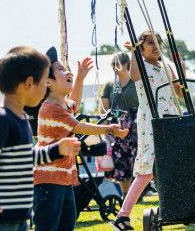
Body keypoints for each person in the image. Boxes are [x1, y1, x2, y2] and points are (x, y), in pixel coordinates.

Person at [33, 47, 128, 231]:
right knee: (47, 226)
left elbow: (74, 103)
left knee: (67, 224)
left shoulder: (62, 105)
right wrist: (109, 128)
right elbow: (78, 126)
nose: (67, 71)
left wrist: (80, 77)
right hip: (48, 180)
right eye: (60, 69)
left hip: (64, 178)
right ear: (48, 82)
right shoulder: (50, 108)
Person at [0, 47, 80, 231]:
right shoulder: (0, 121)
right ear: (29, 83)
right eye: (43, 83)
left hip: (18, 215)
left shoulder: (21, 118)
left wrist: (57, 150)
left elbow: (25, 157)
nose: (45, 89)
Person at [112, 32, 183, 231]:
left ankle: (180, 206)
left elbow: (179, 91)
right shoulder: (141, 65)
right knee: (146, 169)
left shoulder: (167, 65)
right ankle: (122, 216)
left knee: (175, 163)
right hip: (151, 120)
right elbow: (134, 76)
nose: (156, 46)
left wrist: (180, 72)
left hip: (171, 117)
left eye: (158, 42)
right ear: (141, 48)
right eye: (150, 43)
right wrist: (134, 52)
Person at [101, 52, 140, 196]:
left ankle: (135, 194)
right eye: (113, 64)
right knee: (120, 162)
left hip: (135, 128)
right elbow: (104, 110)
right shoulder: (110, 85)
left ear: (126, 65)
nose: (114, 67)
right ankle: (125, 195)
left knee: (135, 161)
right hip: (116, 127)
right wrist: (104, 130)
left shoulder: (135, 83)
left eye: (118, 63)